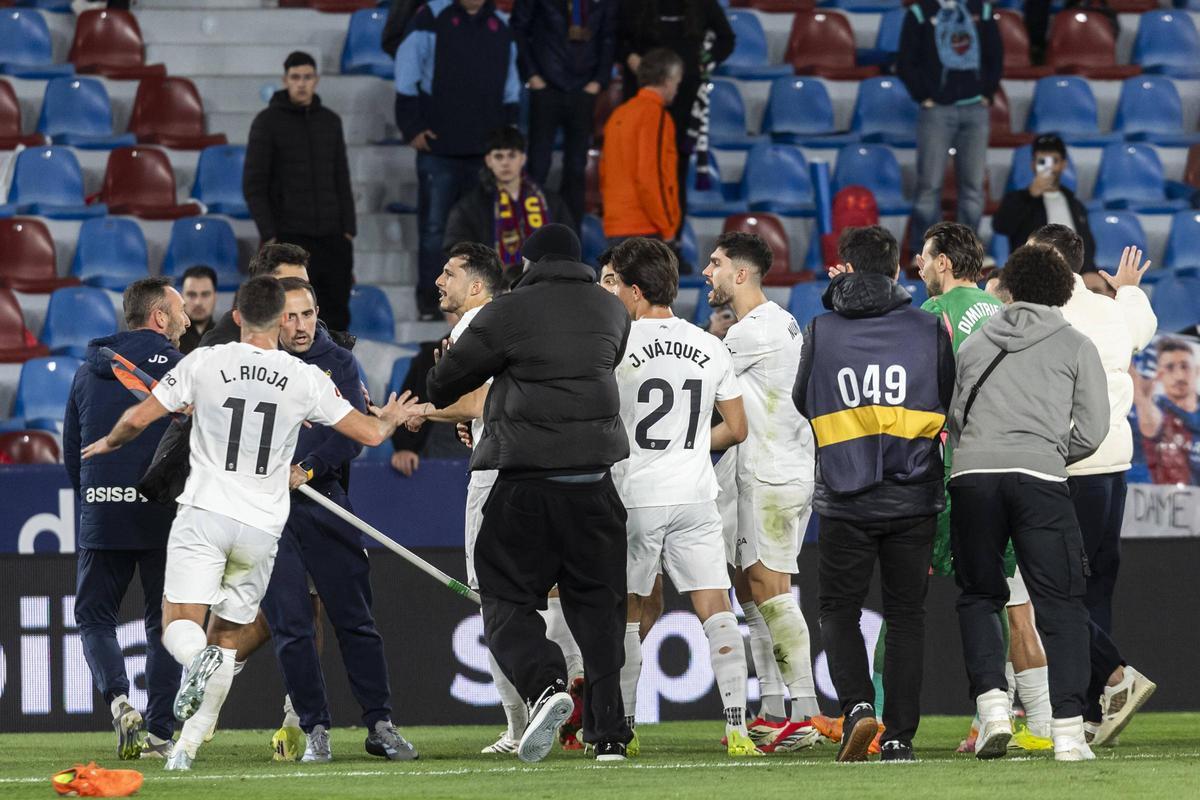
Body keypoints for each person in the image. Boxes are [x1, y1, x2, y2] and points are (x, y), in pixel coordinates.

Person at [79, 276, 409, 770]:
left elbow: (140, 418)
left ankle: (195, 664)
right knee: (229, 636)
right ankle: (185, 749)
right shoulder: (303, 378)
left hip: (207, 514)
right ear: (280, 320)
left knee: (177, 625)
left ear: (235, 316)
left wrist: (110, 442)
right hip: (262, 529)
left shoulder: (205, 361)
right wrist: (393, 419)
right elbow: (368, 432)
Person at [424, 223, 633, 763]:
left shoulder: (508, 310)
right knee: (602, 612)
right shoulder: (612, 310)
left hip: (526, 486)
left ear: (529, 263)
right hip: (596, 485)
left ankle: (545, 687)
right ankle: (609, 735)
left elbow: (443, 385)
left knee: (504, 599)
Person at [792, 225, 955, 762]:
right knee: (907, 615)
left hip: (845, 494)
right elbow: (947, 396)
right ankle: (901, 738)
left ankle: (859, 708)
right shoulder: (930, 327)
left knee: (839, 609)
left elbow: (802, 399)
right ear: (896, 267)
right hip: (913, 495)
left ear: (847, 267)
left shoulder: (821, 327)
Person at [948, 243, 1110, 762]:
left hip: (973, 477)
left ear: (1010, 287)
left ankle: (994, 708)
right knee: (1059, 602)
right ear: (1065, 291)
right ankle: (1066, 731)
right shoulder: (1076, 345)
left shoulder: (976, 342)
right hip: (1041, 476)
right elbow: (1094, 429)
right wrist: (1050, 450)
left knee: (979, 596)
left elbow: (956, 418)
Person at [599, 238, 755, 757]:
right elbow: (736, 428)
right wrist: (689, 443)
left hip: (635, 495)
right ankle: (737, 728)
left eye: (618, 282)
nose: (615, 291)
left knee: (629, 611)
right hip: (695, 494)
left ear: (635, 290)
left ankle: (622, 730)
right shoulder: (710, 344)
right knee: (716, 607)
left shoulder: (615, 344)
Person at [259, 278, 417, 764]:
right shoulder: (256, 366)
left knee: (355, 619)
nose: (301, 325)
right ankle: (316, 730)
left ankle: (380, 724)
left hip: (324, 501)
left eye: (307, 314)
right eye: (290, 316)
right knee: (292, 624)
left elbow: (351, 435)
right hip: (269, 512)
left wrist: (305, 470)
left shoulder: (340, 363)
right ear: (274, 320)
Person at [1030, 225, 1158, 746]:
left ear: (1052, 262)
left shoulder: (1051, 315)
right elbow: (1143, 325)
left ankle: (1117, 677)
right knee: (1095, 590)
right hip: (1115, 467)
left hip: (1070, 467)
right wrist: (1127, 287)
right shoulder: (1110, 310)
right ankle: (1090, 708)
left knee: (1055, 594)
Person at [701, 232, 821, 754]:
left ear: (741, 274)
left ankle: (809, 714)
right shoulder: (776, 323)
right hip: (773, 468)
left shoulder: (752, 333)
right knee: (753, 590)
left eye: (716, 263)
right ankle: (774, 708)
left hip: (771, 473)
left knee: (770, 589)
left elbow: (697, 388)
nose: (708, 272)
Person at [63, 278, 190, 761]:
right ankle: (160, 733)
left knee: (95, 617)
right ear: (158, 316)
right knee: (165, 625)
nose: (185, 319)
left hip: (102, 509)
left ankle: (119, 700)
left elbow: (72, 453)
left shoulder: (84, 372)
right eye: (178, 311)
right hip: (164, 514)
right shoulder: (181, 368)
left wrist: (96, 497)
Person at [394, 0, 521, 320]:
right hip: (440, 148)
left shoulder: (502, 25)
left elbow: (511, 88)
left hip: (484, 153)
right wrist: (412, 126)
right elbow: (406, 72)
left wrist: (505, 138)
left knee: (482, 232)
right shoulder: (430, 17)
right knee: (435, 230)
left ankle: (478, 303)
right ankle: (430, 302)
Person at [243, 51, 356, 331]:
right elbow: (253, 184)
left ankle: (336, 372)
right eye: (296, 77)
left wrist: (348, 229)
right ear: (285, 80)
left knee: (337, 314)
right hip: (289, 239)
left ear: (316, 80)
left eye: (307, 77)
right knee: (290, 314)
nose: (302, 83)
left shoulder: (330, 121)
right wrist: (270, 234)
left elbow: (342, 177)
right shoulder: (267, 122)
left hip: (333, 238)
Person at [897, 0, 1002, 259]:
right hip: (936, 111)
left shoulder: (982, 10)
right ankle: (928, 251)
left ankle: (968, 252)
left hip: (975, 109)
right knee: (929, 184)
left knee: (973, 186)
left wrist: (986, 92)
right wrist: (924, 95)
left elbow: (996, 55)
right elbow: (905, 61)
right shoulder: (919, 13)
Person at [616, 0, 734, 213]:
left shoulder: (703, 4)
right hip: (642, 95)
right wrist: (629, 56)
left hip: (685, 98)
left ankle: (673, 237)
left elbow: (727, 39)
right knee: (637, 165)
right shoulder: (633, 5)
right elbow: (615, 36)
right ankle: (636, 237)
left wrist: (706, 60)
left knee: (676, 169)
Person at [511, 0, 618, 230]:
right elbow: (519, 27)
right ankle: (530, 234)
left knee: (576, 168)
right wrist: (532, 75)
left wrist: (598, 81)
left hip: (584, 90)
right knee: (538, 165)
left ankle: (570, 240)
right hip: (546, 88)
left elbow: (609, 35)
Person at [443, 126, 573, 286]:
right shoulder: (470, 206)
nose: (505, 162)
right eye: (499, 156)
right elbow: (457, 251)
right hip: (492, 290)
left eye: (512, 155)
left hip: (547, 289)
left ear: (523, 159)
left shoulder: (551, 202)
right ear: (489, 160)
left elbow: (568, 247)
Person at [600, 48, 683, 245]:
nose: (677, 89)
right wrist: (668, 227)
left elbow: (604, 172)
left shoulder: (619, 114)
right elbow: (651, 176)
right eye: (677, 82)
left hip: (615, 225)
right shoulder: (656, 115)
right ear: (667, 79)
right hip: (645, 227)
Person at [993, 135, 1096, 272]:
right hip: (1033, 275)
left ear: (1063, 164)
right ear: (1033, 164)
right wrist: (1029, 195)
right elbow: (1002, 226)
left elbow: (1087, 246)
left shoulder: (1075, 204)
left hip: (1074, 275)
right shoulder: (1018, 200)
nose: (1049, 167)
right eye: (1042, 161)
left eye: (1054, 161)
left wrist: (1089, 272)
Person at [200, 244, 312, 348]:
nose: (303, 292)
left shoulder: (314, 328)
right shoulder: (224, 342)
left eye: (306, 285)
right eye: (292, 286)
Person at [1134, 337, 1200, 485]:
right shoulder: (1155, 409)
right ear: (1159, 374)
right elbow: (1150, 424)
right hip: (1162, 503)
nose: (1179, 376)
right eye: (1170, 367)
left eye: (1185, 366)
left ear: (1197, 370)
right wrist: (1143, 398)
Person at [177, 266, 217, 355]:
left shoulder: (228, 338)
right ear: (181, 296)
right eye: (191, 295)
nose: (198, 302)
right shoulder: (170, 339)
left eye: (205, 294)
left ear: (215, 297)